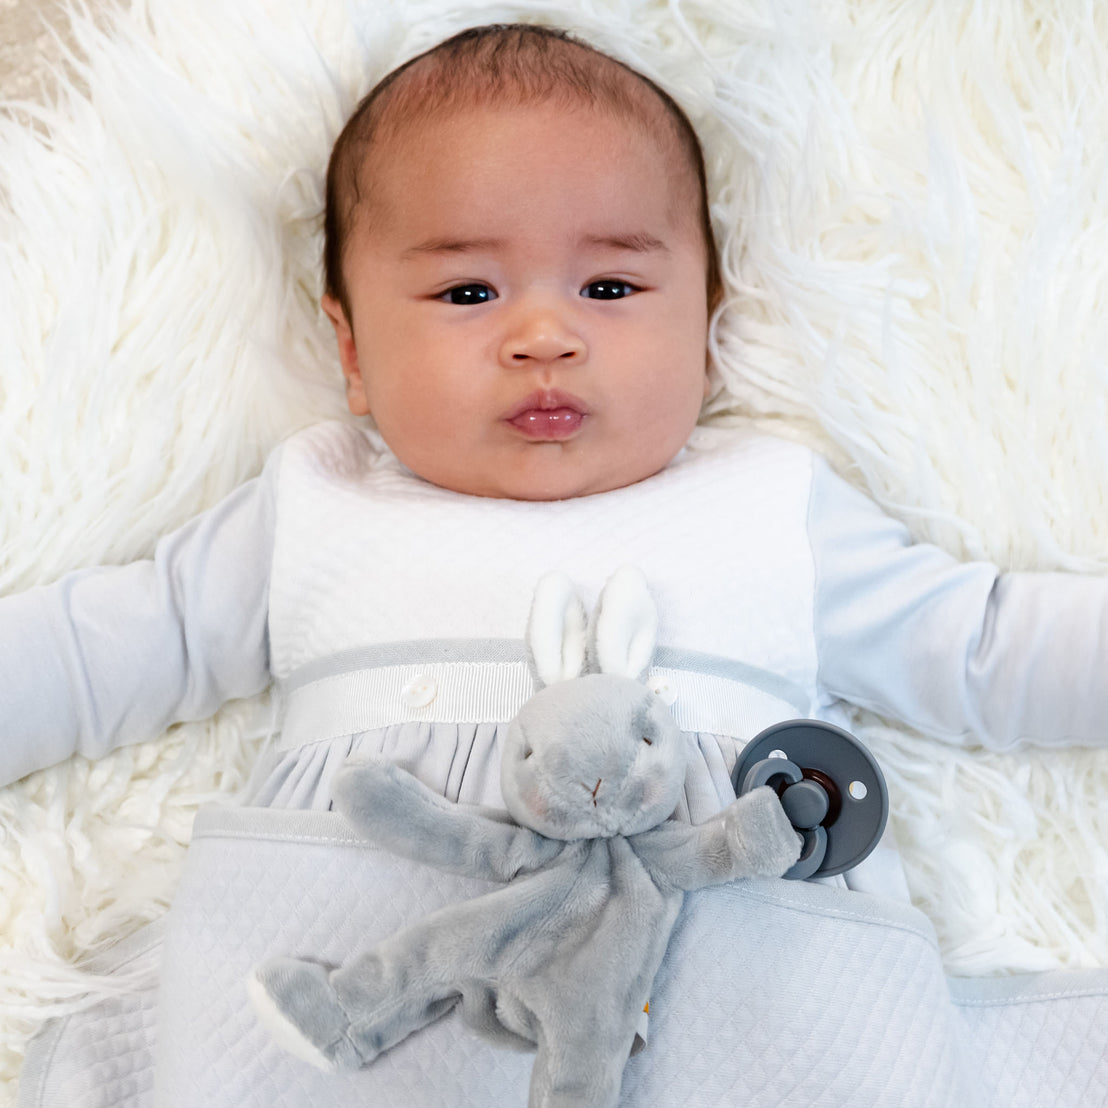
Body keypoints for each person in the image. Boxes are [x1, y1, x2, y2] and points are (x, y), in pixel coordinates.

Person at [5, 23, 1108, 1107]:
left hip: (745, 1002)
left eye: (612, 289)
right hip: (362, 992)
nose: (543, 334)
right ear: (350, 352)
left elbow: (981, 647)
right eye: (468, 293)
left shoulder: (770, 504)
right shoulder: (315, 503)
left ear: (705, 325)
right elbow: (101, 651)